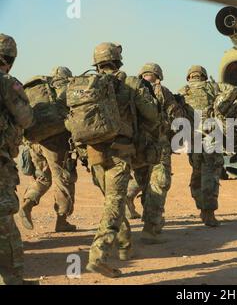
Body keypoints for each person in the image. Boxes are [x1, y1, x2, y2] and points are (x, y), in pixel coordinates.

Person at [84, 43, 160, 278]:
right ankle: (98, 255)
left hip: (93, 152)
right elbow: (152, 115)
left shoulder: (86, 85)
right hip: (119, 152)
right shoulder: (131, 84)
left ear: (96, 63)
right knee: (115, 204)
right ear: (118, 61)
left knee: (111, 201)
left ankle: (126, 246)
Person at [127, 63, 184, 244]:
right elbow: (177, 118)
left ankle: (131, 203)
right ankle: (151, 228)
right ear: (158, 75)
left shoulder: (129, 89)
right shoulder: (162, 91)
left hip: (136, 146)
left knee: (144, 182)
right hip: (158, 145)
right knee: (159, 183)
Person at [19, 67, 77, 232]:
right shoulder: (64, 88)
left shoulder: (40, 91)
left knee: (43, 178)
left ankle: (27, 204)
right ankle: (62, 221)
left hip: (35, 141)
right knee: (63, 180)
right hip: (55, 141)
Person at [0, 33, 35, 285]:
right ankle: (13, 281)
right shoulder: (7, 82)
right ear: (10, 58)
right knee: (4, 221)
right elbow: (26, 118)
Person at [178, 65, 223, 227]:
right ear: (203, 76)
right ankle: (208, 213)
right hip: (211, 137)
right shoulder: (213, 88)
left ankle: (201, 206)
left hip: (192, 139)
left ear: (189, 77)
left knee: (197, 171)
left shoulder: (182, 91)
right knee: (210, 173)